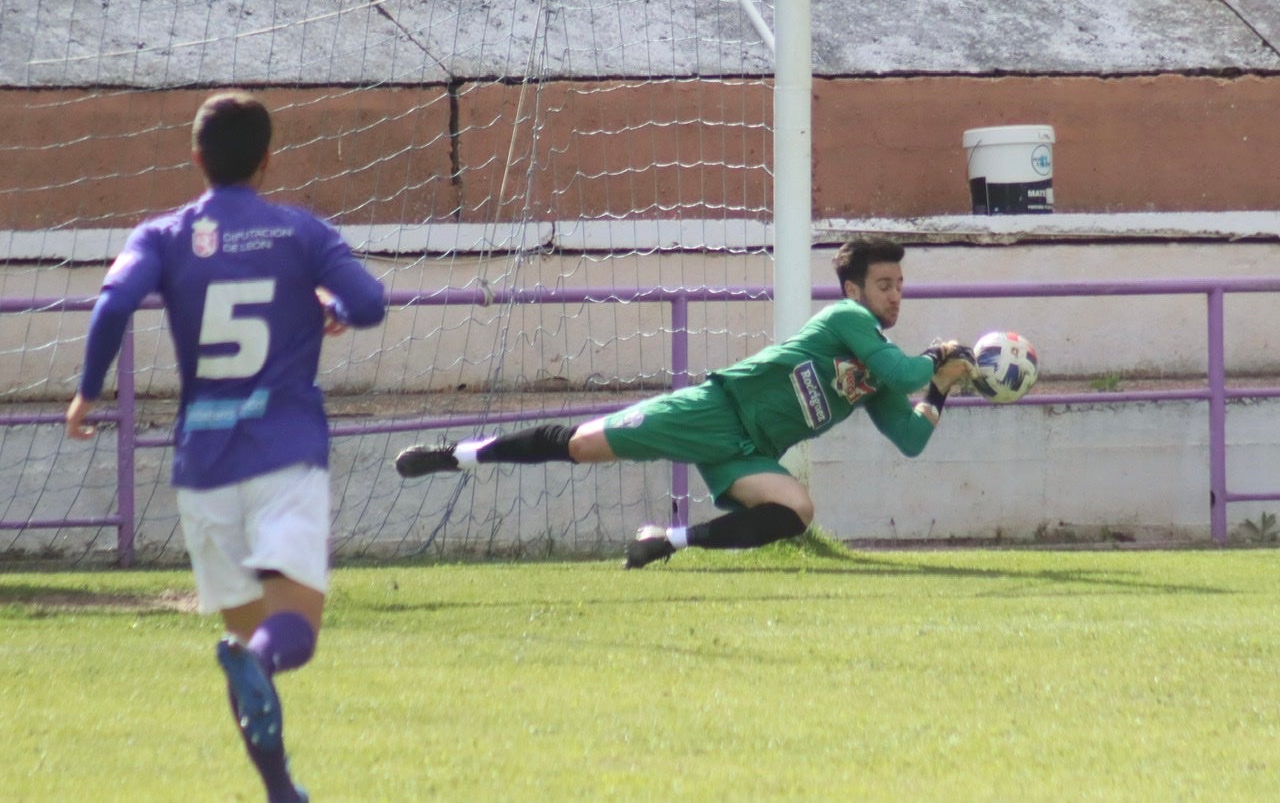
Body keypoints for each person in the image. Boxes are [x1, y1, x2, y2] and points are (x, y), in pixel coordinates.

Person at [65, 91, 386, 802]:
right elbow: (370, 302)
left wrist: (88, 390)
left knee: (248, 643)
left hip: (203, 467)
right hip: (285, 451)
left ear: (196, 156)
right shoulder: (300, 232)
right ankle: (267, 708)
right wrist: (330, 307)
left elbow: (113, 303)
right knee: (290, 635)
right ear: (269, 159)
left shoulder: (163, 235)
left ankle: (280, 790)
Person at [394, 236, 973, 569]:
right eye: (884, 286)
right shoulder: (847, 319)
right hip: (716, 410)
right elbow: (904, 370)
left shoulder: (881, 366)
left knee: (796, 509)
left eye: (900, 286)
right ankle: (455, 455)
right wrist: (939, 354)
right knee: (583, 445)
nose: (896, 295)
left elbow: (911, 438)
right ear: (854, 291)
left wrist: (939, 389)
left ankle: (666, 541)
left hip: (751, 452)